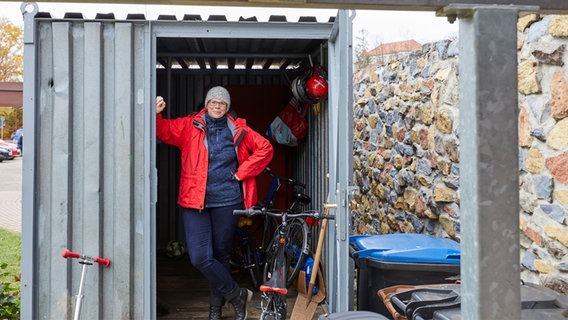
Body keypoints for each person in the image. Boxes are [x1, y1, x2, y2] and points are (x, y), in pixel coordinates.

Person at [155, 86, 274, 320]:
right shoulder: (190, 126)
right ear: (206, 104)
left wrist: (242, 172)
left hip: (227, 200)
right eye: (213, 102)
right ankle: (237, 294)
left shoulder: (238, 129)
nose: (217, 106)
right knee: (200, 257)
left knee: (221, 255)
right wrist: (155, 113)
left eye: (222, 103)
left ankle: (215, 310)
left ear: (227, 107)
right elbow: (162, 131)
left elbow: (265, 149)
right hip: (194, 200)